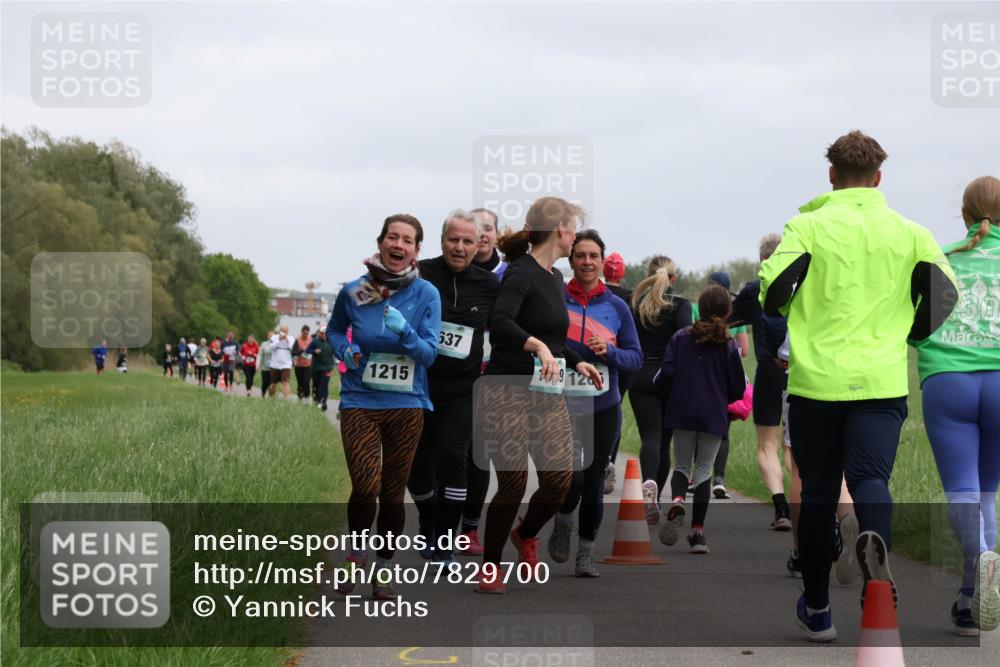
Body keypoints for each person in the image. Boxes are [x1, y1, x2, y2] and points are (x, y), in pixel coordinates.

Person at [761, 130, 957, 642]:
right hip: (880, 379)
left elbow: (775, 292)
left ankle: (819, 610)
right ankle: (876, 595)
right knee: (871, 482)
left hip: (816, 384)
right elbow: (945, 292)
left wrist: (786, 303)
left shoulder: (806, 226)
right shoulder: (911, 232)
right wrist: (911, 332)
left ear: (831, 175)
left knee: (821, 491)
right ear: (878, 178)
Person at [476, 197, 603, 594]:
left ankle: (526, 532)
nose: (575, 235)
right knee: (513, 484)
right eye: (573, 227)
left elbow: (553, 336)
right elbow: (500, 324)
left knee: (559, 482)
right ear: (559, 230)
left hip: (547, 392)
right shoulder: (520, 273)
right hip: (506, 390)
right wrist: (537, 347)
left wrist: (576, 359)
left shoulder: (551, 278)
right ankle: (491, 565)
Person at [328, 213, 440, 600]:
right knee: (365, 486)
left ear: (416, 251)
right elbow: (333, 330)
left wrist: (405, 333)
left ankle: (385, 569)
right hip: (360, 400)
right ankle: (354, 559)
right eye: (393, 237)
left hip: (407, 404)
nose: (399, 245)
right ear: (380, 243)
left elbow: (429, 355)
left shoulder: (426, 294)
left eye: (407, 240)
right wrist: (346, 350)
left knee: (392, 493)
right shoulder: (355, 291)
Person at [910, 175, 1000, 635]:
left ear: (964, 214)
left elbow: (917, 325)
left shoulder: (942, 258)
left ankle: (979, 569)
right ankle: (970, 594)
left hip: (949, 380)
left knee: (962, 488)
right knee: (988, 491)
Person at [548, 231, 642, 577]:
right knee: (569, 479)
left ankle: (585, 554)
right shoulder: (557, 299)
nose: (587, 262)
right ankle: (562, 520)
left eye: (593, 256)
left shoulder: (616, 307)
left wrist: (611, 353)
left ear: (603, 262)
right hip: (562, 404)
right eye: (580, 255)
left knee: (592, 482)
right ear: (570, 261)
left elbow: (635, 357)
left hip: (603, 405)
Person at [408, 210, 499, 565]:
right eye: (452, 240)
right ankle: (429, 520)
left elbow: (509, 327)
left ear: (479, 245)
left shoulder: (490, 285)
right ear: (441, 241)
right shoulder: (421, 274)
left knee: (453, 458)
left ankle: (445, 541)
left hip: (464, 388)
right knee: (417, 468)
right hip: (419, 384)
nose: (459, 247)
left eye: (467, 241)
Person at [655, 285, 746, 554]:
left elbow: (666, 373)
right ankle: (697, 535)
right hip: (713, 414)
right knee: (704, 471)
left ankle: (679, 499)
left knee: (681, 466)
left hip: (681, 411)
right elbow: (738, 388)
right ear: (727, 311)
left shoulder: (680, 337)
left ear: (700, 309)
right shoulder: (729, 345)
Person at [731, 235, 793, 529]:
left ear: (762, 261)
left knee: (767, 445)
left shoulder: (755, 289)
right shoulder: (804, 286)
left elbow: (728, 317)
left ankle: (781, 507)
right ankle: (805, 505)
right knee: (796, 448)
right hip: (806, 373)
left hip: (769, 372)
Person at [629, 256, 692, 524]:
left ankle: (648, 487)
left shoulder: (636, 305)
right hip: (667, 377)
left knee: (649, 438)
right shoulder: (680, 305)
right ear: (673, 279)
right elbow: (688, 338)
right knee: (664, 441)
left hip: (639, 375)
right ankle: (655, 495)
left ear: (649, 275)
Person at [461, 207, 506, 552]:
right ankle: (439, 523)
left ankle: (470, 529)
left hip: (493, 376)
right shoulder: (451, 271)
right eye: (477, 229)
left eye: (488, 228)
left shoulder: (509, 275)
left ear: (496, 234)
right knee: (447, 452)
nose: (483, 235)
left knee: (480, 452)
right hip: (452, 376)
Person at [689, 271, 749, 500]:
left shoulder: (696, 308)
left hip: (698, 375)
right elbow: (745, 350)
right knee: (722, 430)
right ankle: (719, 479)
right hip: (724, 378)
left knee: (697, 429)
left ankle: (697, 476)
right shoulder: (735, 315)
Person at [601, 251, 633, 495]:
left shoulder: (602, 296)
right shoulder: (631, 298)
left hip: (602, 359)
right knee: (614, 409)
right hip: (623, 363)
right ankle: (608, 461)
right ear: (623, 273)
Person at [308, 329, 336, 410]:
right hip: (316, 368)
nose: (324, 335)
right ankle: (316, 400)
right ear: (319, 334)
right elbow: (307, 350)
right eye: (322, 334)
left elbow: (336, 352)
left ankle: (323, 402)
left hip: (328, 368)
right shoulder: (315, 341)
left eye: (325, 334)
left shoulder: (331, 342)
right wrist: (314, 351)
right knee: (316, 385)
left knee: (324, 385)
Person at [268, 326, 294, 399]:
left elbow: (293, 349)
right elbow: (270, 347)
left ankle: (286, 399)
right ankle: (271, 397)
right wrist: (279, 340)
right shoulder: (274, 337)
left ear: (287, 331)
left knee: (286, 382)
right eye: (282, 331)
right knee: (273, 384)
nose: (284, 332)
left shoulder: (291, 338)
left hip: (286, 365)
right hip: (275, 364)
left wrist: (287, 340)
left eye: (285, 331)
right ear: (279, 331)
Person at [292, 325, 314, 403]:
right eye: (304, 333)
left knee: (306, 382)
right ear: (302, 332)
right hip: (299, 365)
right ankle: (299, 397)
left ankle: (306, 398)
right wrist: (301, 350)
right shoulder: (297, 340)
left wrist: (309, 351)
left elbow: (314, 351)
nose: (305, 335)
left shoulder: (311, 340)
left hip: (308, 365)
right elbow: (293, 353)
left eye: (307, 334)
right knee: (300, 382)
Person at [258, 331, 273, 398]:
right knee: (265, 382)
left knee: (272, 383)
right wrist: (258, 364)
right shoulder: (264, 344)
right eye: (270, 336)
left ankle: (270, 396)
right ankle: (263, 394)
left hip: (273, 368)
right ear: (267, 337)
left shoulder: (277, 344)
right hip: (265, 367)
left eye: (272, 336)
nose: (271, 337)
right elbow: (260, 355)